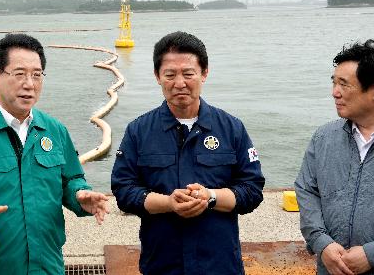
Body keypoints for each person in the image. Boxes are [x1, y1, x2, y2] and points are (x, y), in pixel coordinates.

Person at [0, 33, 109, 275]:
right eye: (19, 74)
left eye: (37, 75)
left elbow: (70, 179)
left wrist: (79, 195)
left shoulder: (55, 130)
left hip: (48, 266)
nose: (29, 84)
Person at [111, 31, 265, 275]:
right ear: (157, 76)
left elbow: (252, 190)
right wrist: (168, 203)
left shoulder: (231, 128)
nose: (179, 83)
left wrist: (210, 197)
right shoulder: (138, 131)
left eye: (188, 73)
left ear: (204, 73)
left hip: (219, 264)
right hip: (162, 265)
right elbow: (123, 190)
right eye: (170, 74)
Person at [295, 39, 374, 275]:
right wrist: (322, 243)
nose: (334, 92)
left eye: (344, 84)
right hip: (329, 268)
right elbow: (306, 190)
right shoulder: (324, 137)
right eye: (334, 82)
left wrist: (371, 254)